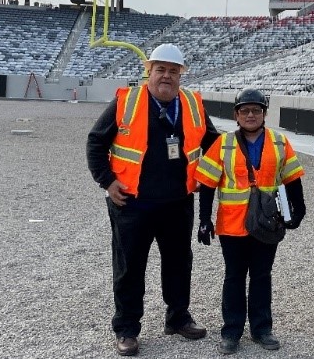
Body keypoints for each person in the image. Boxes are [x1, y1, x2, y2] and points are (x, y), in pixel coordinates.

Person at [86, 43, 220, 357]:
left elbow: (213, 143)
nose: (167, 76)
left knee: (178, 263)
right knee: (129, 267)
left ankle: (178, 318)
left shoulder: (192, 102)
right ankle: (127, 328)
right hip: (132, 203)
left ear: (181, 75)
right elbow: (96, 141)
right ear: (149, 71)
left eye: (173, 71)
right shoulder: (125, 101)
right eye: (160, 69)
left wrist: (209, 173)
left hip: (177, 202)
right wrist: (107, 181)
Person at [194, 88, 306, 355]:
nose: (251, 115)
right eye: (245, 110)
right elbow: (208, 183)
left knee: (261, 276)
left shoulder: (280, 142)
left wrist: (298, 209)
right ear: (236, 115)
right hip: (232, 225)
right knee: (233, 277)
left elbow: (292, 178)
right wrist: (204, 219)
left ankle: (261, 329)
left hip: (267, 222)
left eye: (256, 110)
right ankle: (231, 331)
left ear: (265, 114)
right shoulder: (223, 143)